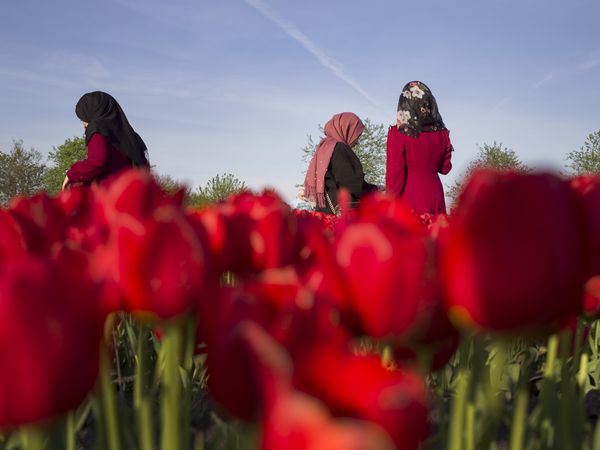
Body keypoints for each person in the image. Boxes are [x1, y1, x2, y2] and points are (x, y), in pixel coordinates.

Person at [386, 81, 453, 215]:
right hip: (435, 195)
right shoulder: (442, 133)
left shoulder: (399, 133)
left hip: (409, 197)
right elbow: (445, 169)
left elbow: (395, 173)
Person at [63, 91, 149, 190]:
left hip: (108, 195)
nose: (84, 125)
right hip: (130, 193)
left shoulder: (98, 129)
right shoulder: (129, 135)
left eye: (84, 118)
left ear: (92, 112)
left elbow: (96, 162)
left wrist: (71, 174)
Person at [304, 112, 378, 215]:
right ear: (347, 129)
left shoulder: (325, 148)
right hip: (342, 215)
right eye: (357, 134)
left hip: (326, 212)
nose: (357, 142)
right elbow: (351, 184)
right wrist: (375, 189)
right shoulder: (340, 148)